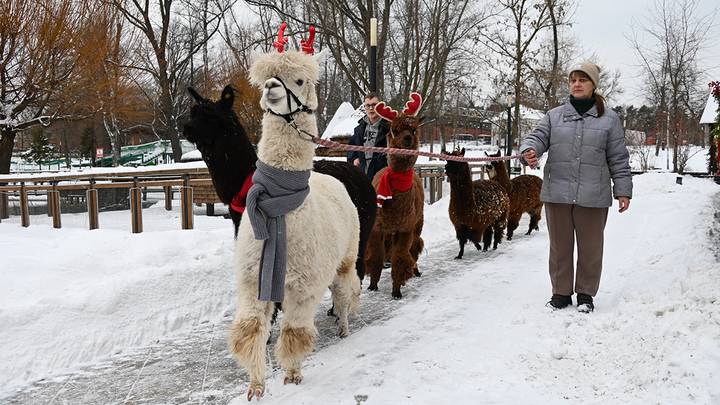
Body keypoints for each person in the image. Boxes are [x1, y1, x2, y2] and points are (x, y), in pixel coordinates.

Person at [519, 61, 633, 313]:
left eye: (583, 80)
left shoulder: (609, 119)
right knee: (560, 246)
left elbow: (618, 157)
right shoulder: (554, 116)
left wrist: (623, 190)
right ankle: (560, 293)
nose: (577, 84)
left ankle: (585, 294)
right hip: (558, 192)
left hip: (594, 195)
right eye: (573, 80)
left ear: (593, 85)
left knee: (591, 247)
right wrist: (529, 149)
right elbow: (536, 137)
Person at [348, 92, 390, 181]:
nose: (371, 108)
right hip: (363, 175)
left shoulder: (389, 128)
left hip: (383, 176)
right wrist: (354, 158)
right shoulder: (359, 129)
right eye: (368, 105)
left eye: (374, 105)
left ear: (380, 106)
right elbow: (351, 147)